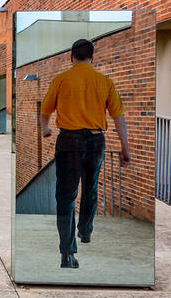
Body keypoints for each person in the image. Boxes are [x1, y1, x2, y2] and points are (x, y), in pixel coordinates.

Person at [39, 39, 131, 269]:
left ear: (71, 57)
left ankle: (67, 253)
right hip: (96, 140)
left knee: (66, 196)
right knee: (90, 186)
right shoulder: (104, 81)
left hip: (69, 140)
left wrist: (45, 129)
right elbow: (118, 117)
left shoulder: (61, 80)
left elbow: (45, 110)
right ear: (93, 57)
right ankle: (86, 231)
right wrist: (125, 147)